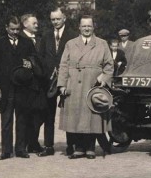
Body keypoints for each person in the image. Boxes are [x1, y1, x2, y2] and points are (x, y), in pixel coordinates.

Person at [58, 15, 114, 159]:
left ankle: (90, 148)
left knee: (92, 116)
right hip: (74, 84)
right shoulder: (70, 44)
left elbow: (109, 65)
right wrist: (62, 84)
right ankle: (79, 147)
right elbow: (63, 65)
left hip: (92, 84)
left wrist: (104, 78)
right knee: (76, 116)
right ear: (79, 27)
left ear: (93, 27)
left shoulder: (101, 44)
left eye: (89, 26)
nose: (86, 29)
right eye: (84, 26)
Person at [0, 16, 39, 160]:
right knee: (6, 120)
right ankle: (6, 150)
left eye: (17, 29)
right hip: (5, 88)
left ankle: (21, 149)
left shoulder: (27, 42)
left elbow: (34, 60)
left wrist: (30, 63)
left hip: (23, 87)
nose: (15, 32)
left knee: (22, 119)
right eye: (12, 29)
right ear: (6, 28)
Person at [39, 8, 78, 157]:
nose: (55, 22)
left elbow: (74, 57)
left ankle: (71, 145)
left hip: (67, 80)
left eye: (58, 19)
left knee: (68, 113)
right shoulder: (46, 36)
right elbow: (40, 56)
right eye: (53, 19)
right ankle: (48, 146)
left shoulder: (73, 35)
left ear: (64, 18)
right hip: (49, 81)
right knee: (49, 114)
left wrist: (63, 72)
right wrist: (48, 71)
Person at [20, 13, 44, 154]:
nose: (37, 25)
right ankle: (24, 145)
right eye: (34, 23)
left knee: (38, 114)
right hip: (25, 83)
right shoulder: (20, 39)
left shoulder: (39, 39)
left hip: (39, 83)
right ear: (25, 24)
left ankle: (33, 142)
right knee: (24, 115)